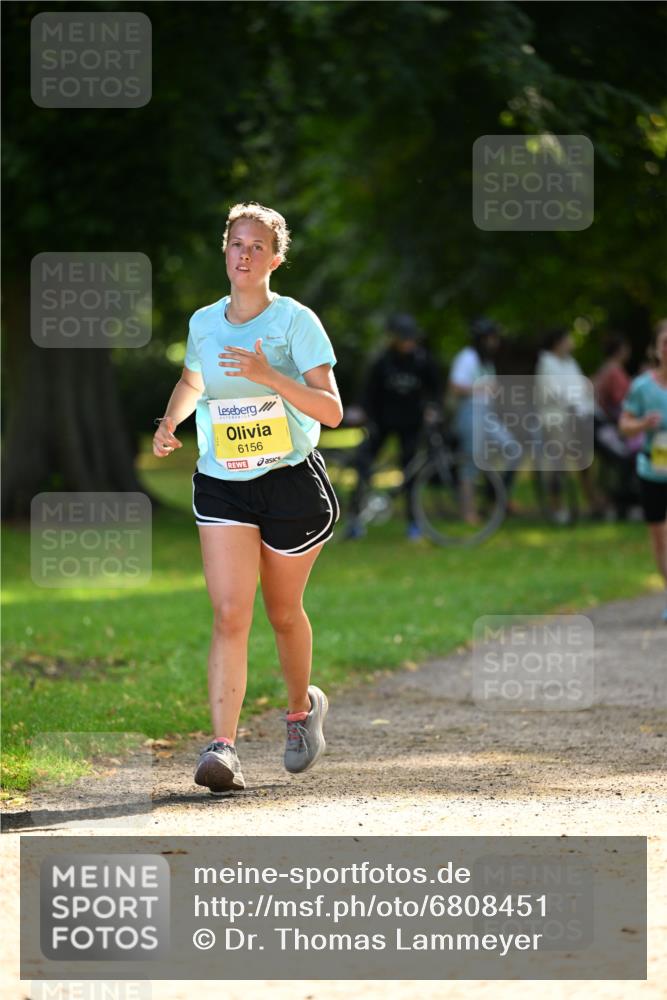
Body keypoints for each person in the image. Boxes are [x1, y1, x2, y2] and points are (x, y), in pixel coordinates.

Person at [153, 202, 343, 793]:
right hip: (223, 482)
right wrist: (170, 421)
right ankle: (222, 749)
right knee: (231, 613)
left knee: (282, 613)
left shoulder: (295, 322)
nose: (245, 254)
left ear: (275, 259)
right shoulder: (204, 322)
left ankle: (300, 711)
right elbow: (194, 379)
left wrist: (271, 378)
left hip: (289, 483)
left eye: (258, 246)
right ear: (225, 251)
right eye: (237, 243)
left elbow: (332, 411)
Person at [345, 314, 443, 540]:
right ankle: (355, 521)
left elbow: (435, 390)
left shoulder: (423, 361)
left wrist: (433, 409)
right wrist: (362, 411)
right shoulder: (383, 362)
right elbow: (368, 392)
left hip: (411, 425)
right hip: (381, 423)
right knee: (363, 466)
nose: (408, 343)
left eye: (411, 338)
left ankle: (414, 522)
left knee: (410, 473)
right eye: (403, 338)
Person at [449, 318, 521, 524]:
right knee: (471, 462)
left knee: (512, 448)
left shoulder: (486, 362)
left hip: (486, 415)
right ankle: (468, 511)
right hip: (470, 413)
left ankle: (496, 498)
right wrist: (481, 388)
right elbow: (455, 387)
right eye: (491, 338)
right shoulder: (467, 357)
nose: (495, 342)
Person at [619, 320, 667, 622]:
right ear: (657, 349)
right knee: (660, 538)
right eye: (665, 343)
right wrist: (642, 424)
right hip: (655, 465)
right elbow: (624, 425)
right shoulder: (642, 387)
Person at [535, 328, 605, 520]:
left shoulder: (570, 363)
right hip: (556, 418)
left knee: (584, 460)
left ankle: (592, 501)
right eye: (567, 339)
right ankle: (557, 506)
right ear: (558, 342)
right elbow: (554, 392)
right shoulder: (546, 363)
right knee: (559, 461)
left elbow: (582, 388)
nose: (571, 342)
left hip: (577, 416)